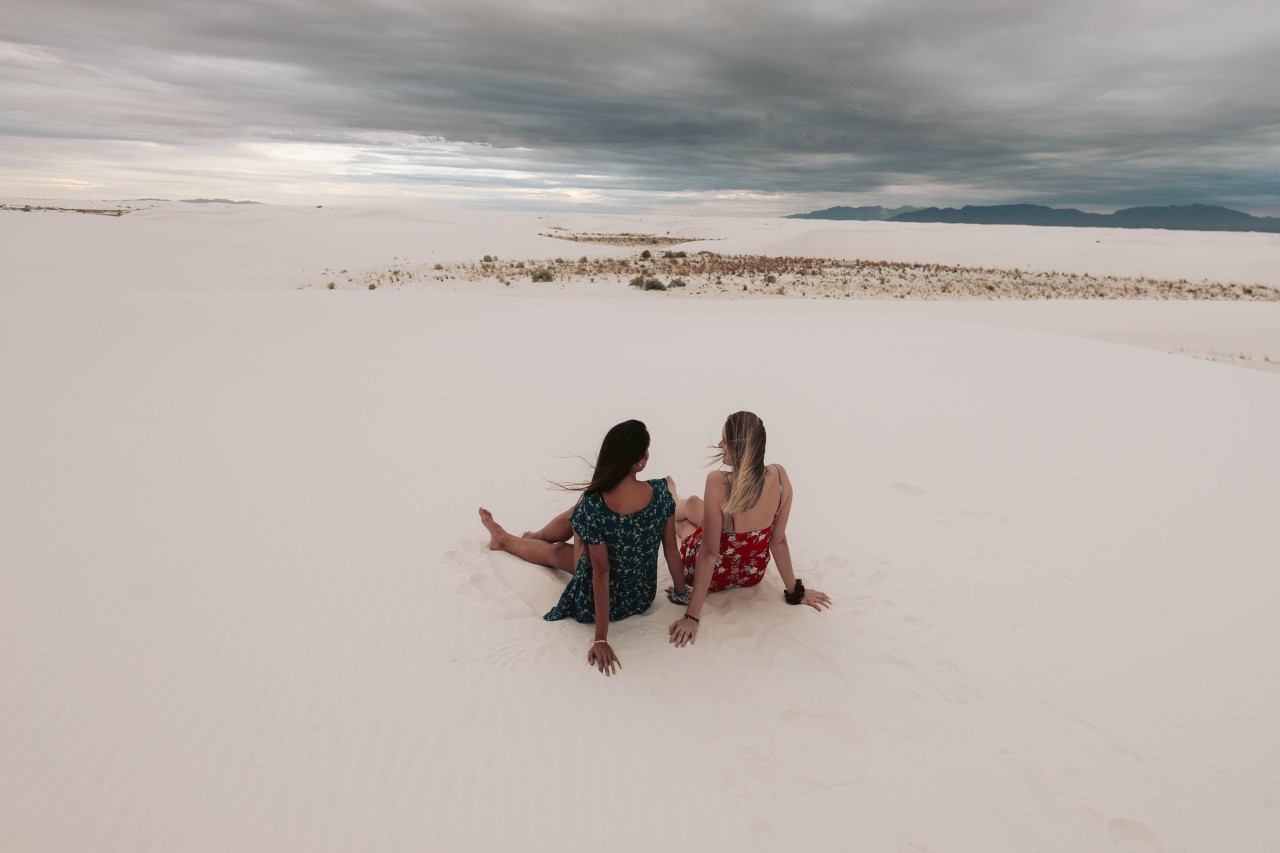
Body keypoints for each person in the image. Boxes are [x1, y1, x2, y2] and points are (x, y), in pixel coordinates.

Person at [478, 420, 683, 675]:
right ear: (640, 461)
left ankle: (505, 539)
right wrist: (682, 592)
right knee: (582, 515)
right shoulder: (662, 495)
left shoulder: (594, 504)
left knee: (559, 549)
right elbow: (672, 552)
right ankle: (536, 535)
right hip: (640, 596)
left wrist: (601, 639)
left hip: (597, 604)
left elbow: (601, 573)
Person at [668, 411, 831, 648]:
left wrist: (691, 616)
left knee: (685, 517)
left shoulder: (718, 481)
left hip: (712, 574)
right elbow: (778, 542)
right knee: (695, 507)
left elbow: (709, 553)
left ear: (738, 447)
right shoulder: (780, 476)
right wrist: (795, 591)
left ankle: (671, 502)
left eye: (725, 440)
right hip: (751, 573)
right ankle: (675, 505)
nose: (720, 444)